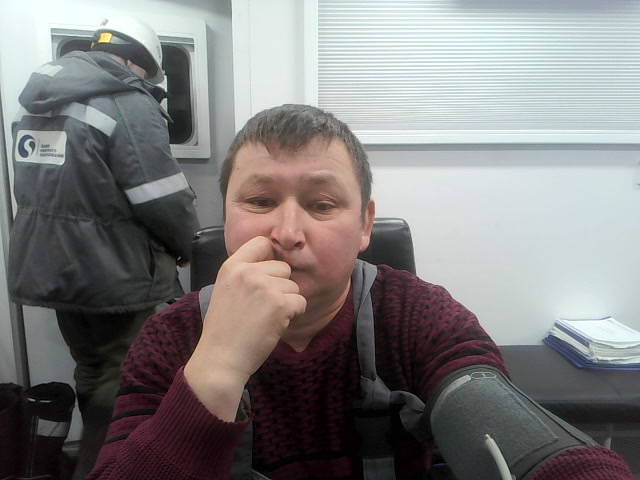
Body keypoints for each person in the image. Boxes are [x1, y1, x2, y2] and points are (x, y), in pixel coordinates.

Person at [88, 104, 632, 479]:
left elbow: (505, 426)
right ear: (225, 215)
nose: (287, 232)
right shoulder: (169, 338)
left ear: (365, 224)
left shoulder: (419, 315)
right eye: (259, 201)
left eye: (322, 205)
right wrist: (218, 366)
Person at [8, 15, 200, 479]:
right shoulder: (127, 102)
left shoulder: (40, 102)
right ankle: (107, 469)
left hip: (52, 268)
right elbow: (161, 197)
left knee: (91, 369)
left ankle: (90, 458)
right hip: (113, 273)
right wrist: (189, 245)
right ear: (137, 62)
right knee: (124, 379)